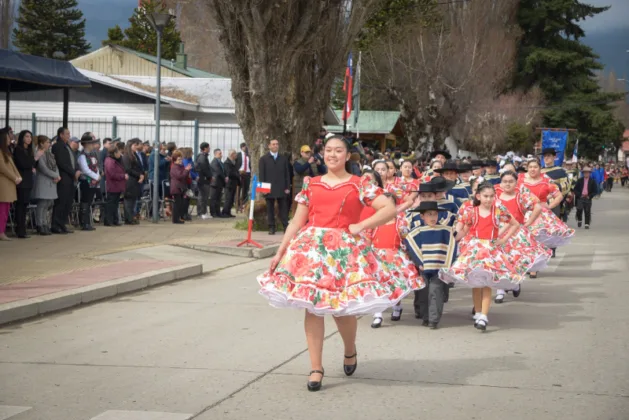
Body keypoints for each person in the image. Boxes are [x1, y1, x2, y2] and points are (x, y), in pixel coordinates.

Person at [257, 135, 405, 392]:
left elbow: (388, 208)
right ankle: (316, 367)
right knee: (312, 307)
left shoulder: (359, 183)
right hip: (311, 253)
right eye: (328, 150)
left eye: (338, 151)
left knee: (342, 310)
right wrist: (281, 251)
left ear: (347, 156)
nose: (332, 155)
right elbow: (297, 221)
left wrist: (361, 225)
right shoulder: (311, 184)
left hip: (343, 253)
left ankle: (349, 350)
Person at [440, 182, 521, 331]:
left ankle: (484, 315)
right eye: (485, 196)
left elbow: (515, 223)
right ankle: (478, 312)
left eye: (491, 196)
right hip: (475, 249)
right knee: (476, 283)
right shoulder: (472, 212)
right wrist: (452, 239)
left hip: (490, 250)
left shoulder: (498, 211)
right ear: (478, 196)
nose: (488, 199)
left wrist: (503, 239)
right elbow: (464, 230)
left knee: (487, 282)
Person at [493, 170, 551, 303]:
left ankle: (514, 284)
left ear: (516, 183)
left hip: (516, 233)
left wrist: (528, 222)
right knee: (499, 261)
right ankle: (500, 290)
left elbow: (537, 207)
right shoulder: (495, 195)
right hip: (498, 232)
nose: (507, 184)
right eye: (504, 181)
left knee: (514, 261)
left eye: (511, 181)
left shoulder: (521, 195)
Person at [405, 201, 457, 329]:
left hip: (439, 268)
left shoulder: (445, 231)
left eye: (435, 214)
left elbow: (451, 247)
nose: (433, 217)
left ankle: (434, 319)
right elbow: (412, 247)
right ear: (422, 216)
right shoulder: (416, 232)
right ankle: (425, 316)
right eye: (429, 214)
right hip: (423, 267)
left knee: (436, 291)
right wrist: (419, 263)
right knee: (423, 292)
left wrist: (447, 265)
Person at [519, 158, 574, 250]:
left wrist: (549, 207)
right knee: (524, 242)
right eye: (530, 167)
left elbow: (559, 196)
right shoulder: (520, 179)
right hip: (522, 213)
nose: (532, 169)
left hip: (540, 216)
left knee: (539, 242)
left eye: (535, 167)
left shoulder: (546, 180)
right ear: (527, 168)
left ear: (540, 168)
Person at [51, 127, 80, 234]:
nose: (69, 136)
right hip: (63, 178)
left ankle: (62, 224)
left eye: (69, 134)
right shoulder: (57, 146)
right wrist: (73, 173)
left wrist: (77, 170)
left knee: (68, 203)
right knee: (61, 202)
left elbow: (73, 160)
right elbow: (62, 163)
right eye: (67, 134)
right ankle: (56, 225)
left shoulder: (67, 146)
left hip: (71, 179)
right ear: (61, 135)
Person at [259, 138, 290, 234]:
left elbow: (287, 174)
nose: (275, 146)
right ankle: (271, 227)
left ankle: (285, 226)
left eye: (277, 144)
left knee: (283, 208)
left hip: (281, 187)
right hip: (269, 187)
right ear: (269, 146)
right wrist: (263, 189)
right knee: (270, 208)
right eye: (273, 144)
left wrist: (287, 187)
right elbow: (261, 175)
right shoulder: (263, 159)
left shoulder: (283, 159)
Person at [32, 136, 60, 235]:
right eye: (47, 142)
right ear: (41, 143)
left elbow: (55, 166)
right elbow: (43, 168)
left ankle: (45, 223)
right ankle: (40, 224)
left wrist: (57, 175)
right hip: (43, 181)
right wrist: (55, 175)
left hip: (51, 181)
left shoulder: (50, 154)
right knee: (42, 204)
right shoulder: (39, 153)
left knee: (48, 203)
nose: (49, 144)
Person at [12, 130, 36, 238]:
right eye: (26, 136)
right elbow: (24, 164)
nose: (29, 139)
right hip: (21, 181)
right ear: (22, 138)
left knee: (25, 205)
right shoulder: (18, 150)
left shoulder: (29, 151)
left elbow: (32, 164)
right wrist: (35, 159)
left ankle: (23, 228)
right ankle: (20, 229)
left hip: (28, 180)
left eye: (30, 137)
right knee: (20, 205)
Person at [77, 134, 101, 231]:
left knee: (89, 202)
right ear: (86, 144)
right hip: (86, 181)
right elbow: (85, 170)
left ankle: (87, 222)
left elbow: (96, 166)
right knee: (85, 202)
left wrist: (97, 175)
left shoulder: (92, 155)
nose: (93, 145)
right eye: (92, 143)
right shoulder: (82, 156)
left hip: (93, 182)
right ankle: (84, 222)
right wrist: (96, 176)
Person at [0, 129, 21, 241]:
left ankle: (2, 231)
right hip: (3, 184)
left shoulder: (6, 152)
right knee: (2, 210)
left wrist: (18, 176)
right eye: (8, 138)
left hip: (9, 183)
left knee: (6, 208)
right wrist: (14, 177)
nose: (10, 139)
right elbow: (3, 168)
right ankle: (1, 232)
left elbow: (12, 166)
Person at [122, 139, 144, 225]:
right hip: (130, 181)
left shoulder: (135, 155)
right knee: (129, 201)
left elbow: (140, 166)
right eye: (134, 145)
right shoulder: (126, 156)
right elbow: (128, 169)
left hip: (136, 180)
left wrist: (142, 175)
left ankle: (131, 217)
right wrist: (139, 175)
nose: (136, 147)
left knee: (133, 200)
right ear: (130, 146)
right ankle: (128, 219)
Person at [103, 147, 126, 227]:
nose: (120, 154)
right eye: (118, 152)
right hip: (113, 186)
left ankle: (115, 220)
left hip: (117, 186)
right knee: (111, 204)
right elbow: (112, 174)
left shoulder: (115, 160)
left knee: (115, 204)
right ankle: (108, 221)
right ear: (114, 153)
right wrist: (123, 176)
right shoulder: (110, 161)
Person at [169, 150, 191, 224]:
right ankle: (175, 219)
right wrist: (186, 170)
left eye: (181, 159)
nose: (180, 161)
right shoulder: (174, 167)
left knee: (180, 204)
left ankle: (178, 218)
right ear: (175, 160)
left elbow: (184, 175)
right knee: (177, 205)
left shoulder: (179, 166)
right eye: (179, 159)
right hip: (176, 188)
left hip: (180, 187)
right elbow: (180, 176)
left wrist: (187, 171)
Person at [573, 165, 597, 229]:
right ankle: (579, 220)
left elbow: (595, 191)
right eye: (585, 172)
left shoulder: (592, 181)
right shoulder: (579, 180)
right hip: (580, 197)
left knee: (587, 211)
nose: (586, 174)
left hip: (588, 198)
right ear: (583, 173)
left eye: (587, 172)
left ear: (589, 173)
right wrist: (579, 195)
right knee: (579, 210)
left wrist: (590, 196)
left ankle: (587, 224)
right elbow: (575, 189)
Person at [195, 142, 213, 219]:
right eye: (208, 147)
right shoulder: (202, 157)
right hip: (203, 180)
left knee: (204, 196)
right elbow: (204, 168)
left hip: (204, 179)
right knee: (203, 196)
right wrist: (210, 176)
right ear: (205, 148)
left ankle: (203, 212)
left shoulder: (203, 156)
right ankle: (201, 213)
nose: (209, 149)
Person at [222, 149, 240, 218]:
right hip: (229, 184)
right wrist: (237, 174)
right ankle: (225, 212)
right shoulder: (227, 163)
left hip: (233, 183)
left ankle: (228, 212)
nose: (236, 155)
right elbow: (229, 173)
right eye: (235, 154)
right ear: (232, 155)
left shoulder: (234, 162)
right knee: (228, 198)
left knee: (231, 199)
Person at [209, 149, 226, 218]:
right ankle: (213, 212)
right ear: (215, 154)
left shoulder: (220, 162)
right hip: (215, 183)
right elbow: (218, 172)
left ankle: (218, 212)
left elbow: (223, 171)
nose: (221, 155)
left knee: (218, 198)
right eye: (219, 154)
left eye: (221, 153)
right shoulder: (214, 162)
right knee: (214, 198)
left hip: (219, 183)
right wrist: (225, 177)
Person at [235, 142, 251, 211]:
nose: (246, 148)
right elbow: (235, 164)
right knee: (239, 189)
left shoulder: (249, 155)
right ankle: (237, 205)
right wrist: (237, 171)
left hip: (247, 173)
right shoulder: (238, 155)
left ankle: (244, 204)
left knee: (246, 189)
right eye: (245, 147)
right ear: (242, 147)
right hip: (240, 173)